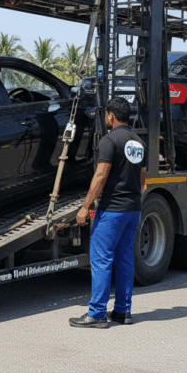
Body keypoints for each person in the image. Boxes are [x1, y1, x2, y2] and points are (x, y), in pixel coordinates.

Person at [69, 97, 146, 328]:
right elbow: (143, 179)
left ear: (111, 116)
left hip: (112, 210)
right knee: (124, 260)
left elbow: (101, 175)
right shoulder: (138, 142)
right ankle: (123, 312)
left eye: (106, 115)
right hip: (133, 210)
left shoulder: (109, 140)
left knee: (101, 259)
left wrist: (85, 206)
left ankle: (97, 314)